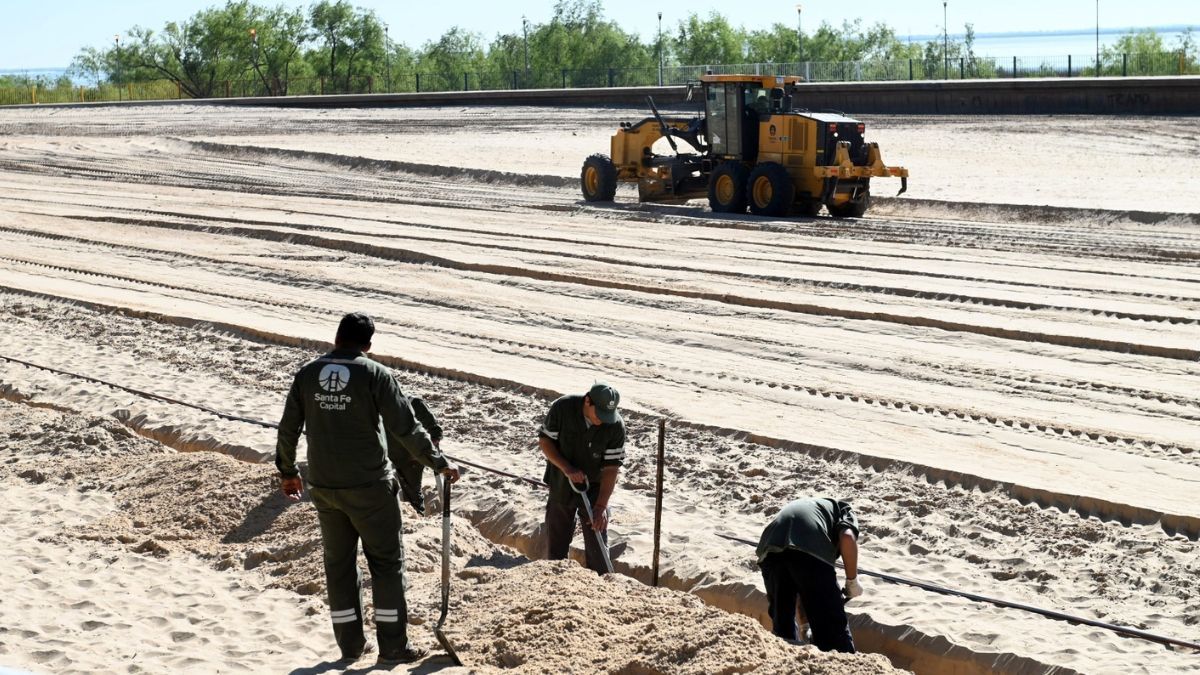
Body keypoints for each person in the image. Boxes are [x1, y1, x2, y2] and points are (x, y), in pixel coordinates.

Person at [275, 312, 460, 664]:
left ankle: (350, 645)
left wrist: (287, 471)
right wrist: (438, 462)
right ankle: (393, 646)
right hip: (370, 488)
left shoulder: (308, 373)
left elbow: (288, 428)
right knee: (387, 564)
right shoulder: (376, 374)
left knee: (339, 566)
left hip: (325, 487)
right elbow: (406, 428)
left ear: (336, 338)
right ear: (369, 345)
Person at [538, 382, 626, 574]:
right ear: (587, 401)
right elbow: (545, 441)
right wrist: (567, 468)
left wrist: (601, 506)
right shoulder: (563, 407)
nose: (602, 420)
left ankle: (600, 579)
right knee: (557, 543)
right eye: (599, 414)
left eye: (607, 415)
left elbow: (611, 469)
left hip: (594, 486)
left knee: (598, 541)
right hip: (562, 481)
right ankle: (555, 578)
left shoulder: (615, 426)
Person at [756, 497, 863, 653]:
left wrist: (805, 626)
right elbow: (847, 537)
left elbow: (801, 579)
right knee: (834, 636)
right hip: (809, 543)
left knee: (783, 629)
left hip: (769, 549)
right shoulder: (844, 509)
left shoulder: (816, 509)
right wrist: (852, 581)